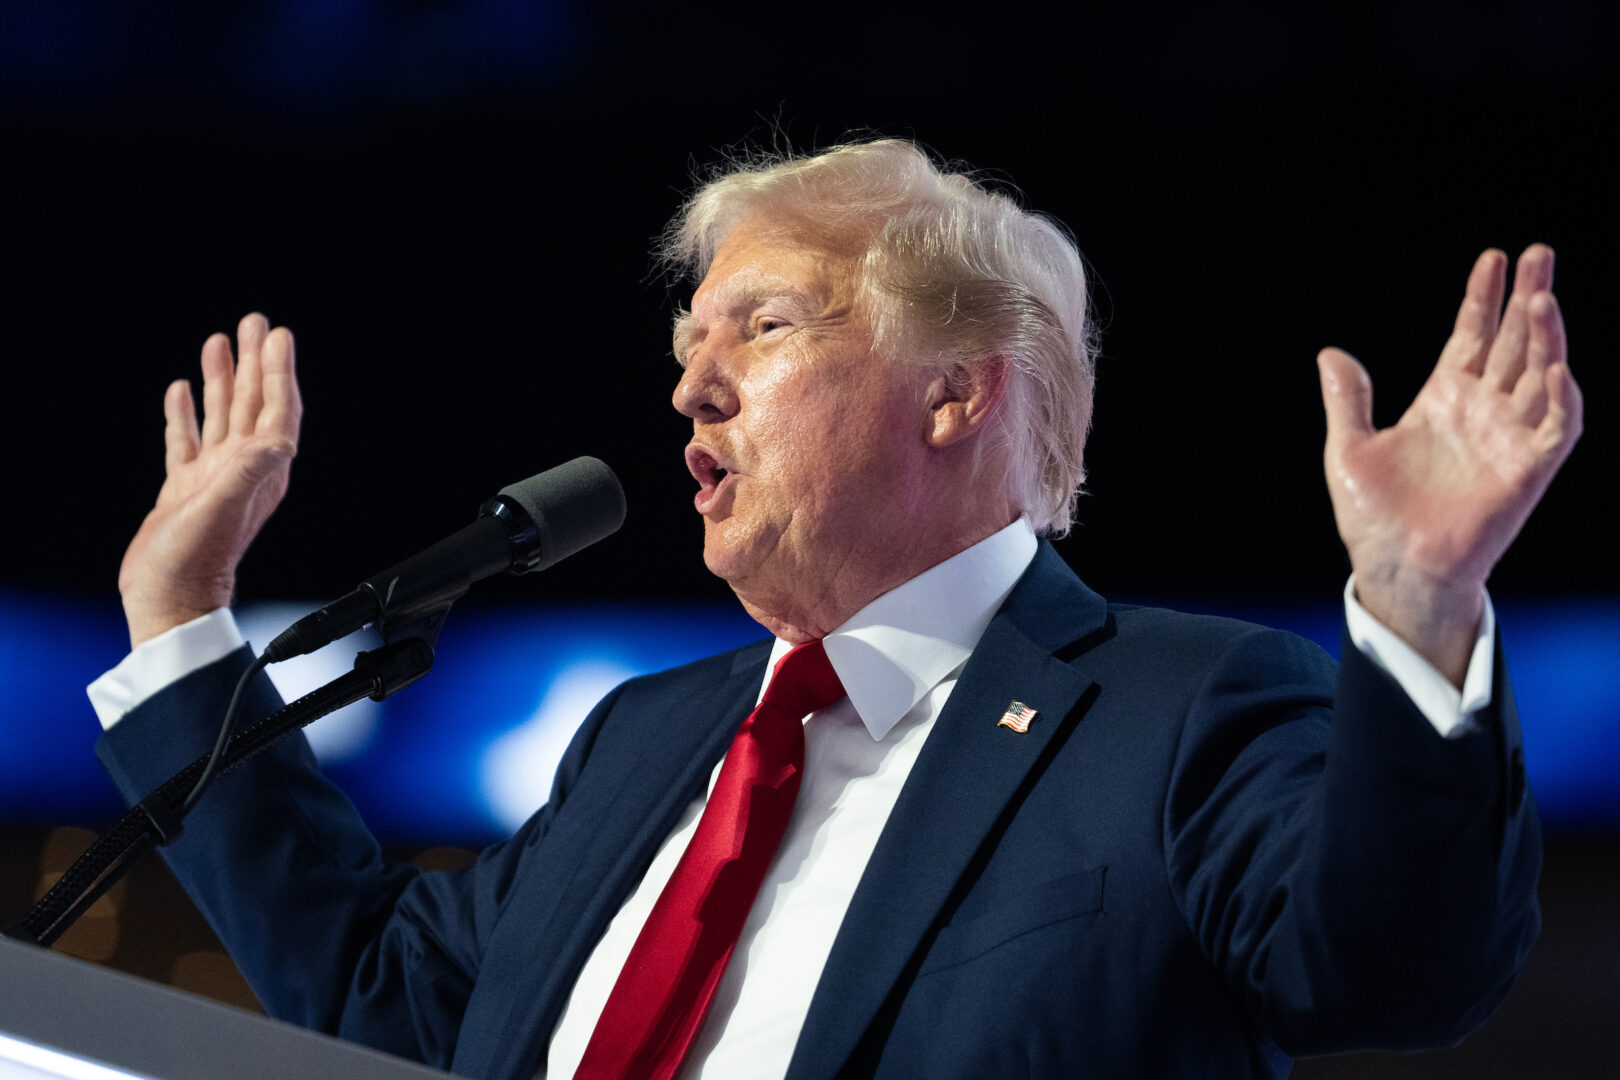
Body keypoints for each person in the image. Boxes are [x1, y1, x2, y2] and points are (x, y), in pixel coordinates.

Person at [89, 140, 1579, 1079]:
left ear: (955, 393)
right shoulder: (644, 742)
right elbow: (386, 997)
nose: (692, 383)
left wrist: (1418, 599)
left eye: (767, 325)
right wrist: (179, 615)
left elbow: (1397, 967)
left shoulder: (1184, 709)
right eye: (688, 340)